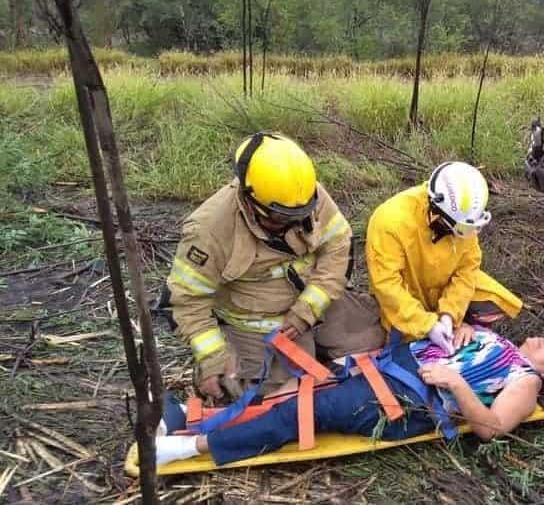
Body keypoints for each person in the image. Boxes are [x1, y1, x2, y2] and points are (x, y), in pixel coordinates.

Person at [161, 132, 384, 401]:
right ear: (249, 199)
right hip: (255, 322)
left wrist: (307, 310)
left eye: (299, 216)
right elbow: (186, 301)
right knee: (277, 400)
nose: (293, 223)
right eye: (281, 218)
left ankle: (320, 353)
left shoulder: (303, 196)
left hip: (312, 302)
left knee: (377, 341)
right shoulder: (210, 229)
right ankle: (238, 367)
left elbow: (338, 248)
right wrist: (212, 358)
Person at [154, 330, 544, 466]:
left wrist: (455, 381)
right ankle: (195, 417)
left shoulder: (526, 379)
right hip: (393, 363)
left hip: (408, 397)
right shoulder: (495, 338)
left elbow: (491, 429)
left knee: (306, 410)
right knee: (306, 382)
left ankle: (187, 447)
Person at [365, 161, 523, 354]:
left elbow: (467, 269)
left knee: (495, 303)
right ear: (436, 210)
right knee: (406, 333)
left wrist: (450, 314)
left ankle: (463, 327)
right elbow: (387, 284)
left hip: (443, 286)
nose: (462, 234)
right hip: (409, 292)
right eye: (458, 228)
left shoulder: (462, 215)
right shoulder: (390, 222)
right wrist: (427, 325)